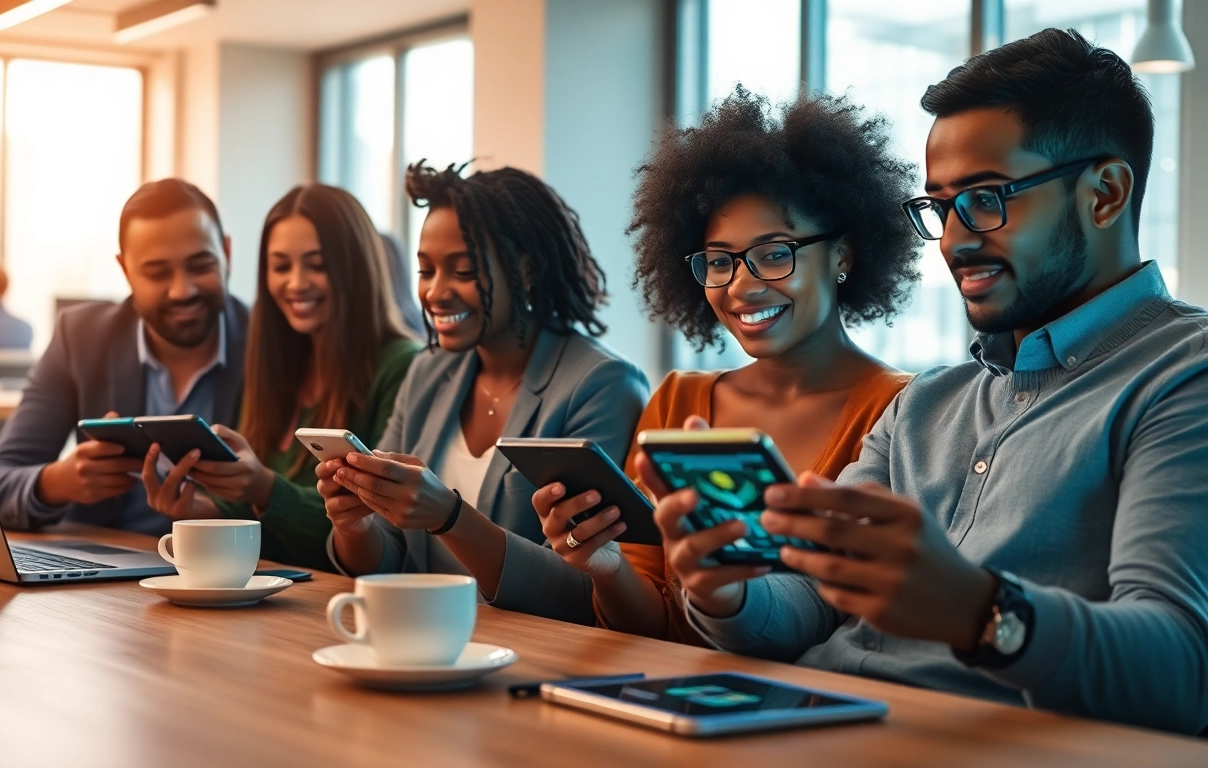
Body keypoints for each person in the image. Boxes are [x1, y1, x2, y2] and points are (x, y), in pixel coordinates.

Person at [661, 30, 1208, 734]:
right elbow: (814, 601)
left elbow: (1185, 673)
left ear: (1104, 194)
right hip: (812, 728)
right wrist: (728, 594)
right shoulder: (924, 402)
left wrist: (979, 612)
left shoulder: (1182, 378)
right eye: (940, 207)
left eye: (986, 199)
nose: (953, 239)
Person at [530, 89, 921, 641]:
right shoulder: (677, 402)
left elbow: (859, 631)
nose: (741, 285)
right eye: (720, 261)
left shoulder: (898, 411)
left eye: (775, 252)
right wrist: (606, 567)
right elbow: (654, 630)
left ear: (843, 255)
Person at [316, 162, 650, 624]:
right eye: (426, 270)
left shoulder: (600, 385)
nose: (435, 292)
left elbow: (586, 590)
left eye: (463, 270)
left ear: (526, 270)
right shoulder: (427, 372)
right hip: (418, 639)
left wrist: (450, 516)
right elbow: (390, 559)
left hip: (533, 657)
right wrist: (355, 524)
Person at [140, 185, 420, 569]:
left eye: (317, 264)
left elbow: (376, 533)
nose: (296, 282)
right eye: (281, 266)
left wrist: (266, 488)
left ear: (355, 266)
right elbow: (251, 519)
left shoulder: (402, 366)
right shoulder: (277, 365)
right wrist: (194, 507)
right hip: (266, 598)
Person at [0, 179, 249, 536]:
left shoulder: (267, 344)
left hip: (230, 577)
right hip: (103, 574)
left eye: (200, 266)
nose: (182, 290)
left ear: (227, 254)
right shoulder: (80, 338)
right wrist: (58, 481)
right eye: (157, 273)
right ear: (125, 271)